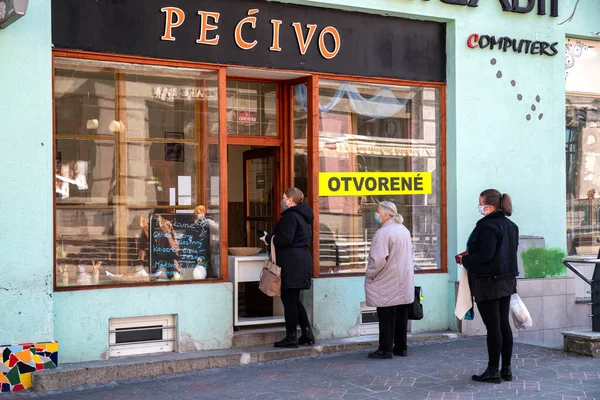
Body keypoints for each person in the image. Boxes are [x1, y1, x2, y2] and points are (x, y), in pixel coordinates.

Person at [457, 189, 519, 383]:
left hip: (488, 282)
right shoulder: (511, 226)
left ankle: (493, 370)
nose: (479, 207)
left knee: (493, 327)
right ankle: (506, 369)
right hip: (506, 281)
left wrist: (464, 260)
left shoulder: (487, 227)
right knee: (503, 325)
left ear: (490, 206)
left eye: (481, 203)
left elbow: (486, 256)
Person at [259, 188, 315, 348]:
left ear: (290, 200)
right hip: (301, 261)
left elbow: (286, 239)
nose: (282, 200)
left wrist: (268, 237)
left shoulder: (291, 216)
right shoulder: (304, 216)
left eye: (284, 198)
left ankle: (291, 337)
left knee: (289, 301)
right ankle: (307, 334)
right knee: (295, 300)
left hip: (292, 263)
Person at [365, 201, 415, 359]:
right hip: (402, 278)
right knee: (401, 314)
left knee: (386, 315)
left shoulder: (383, 233)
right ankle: (401, 346)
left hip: (386, 279)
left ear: (387, 215)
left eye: (378, 211)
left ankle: (385, 349)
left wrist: (370, 274)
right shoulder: (403, 230)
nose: (377, 215)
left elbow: (378, 260)